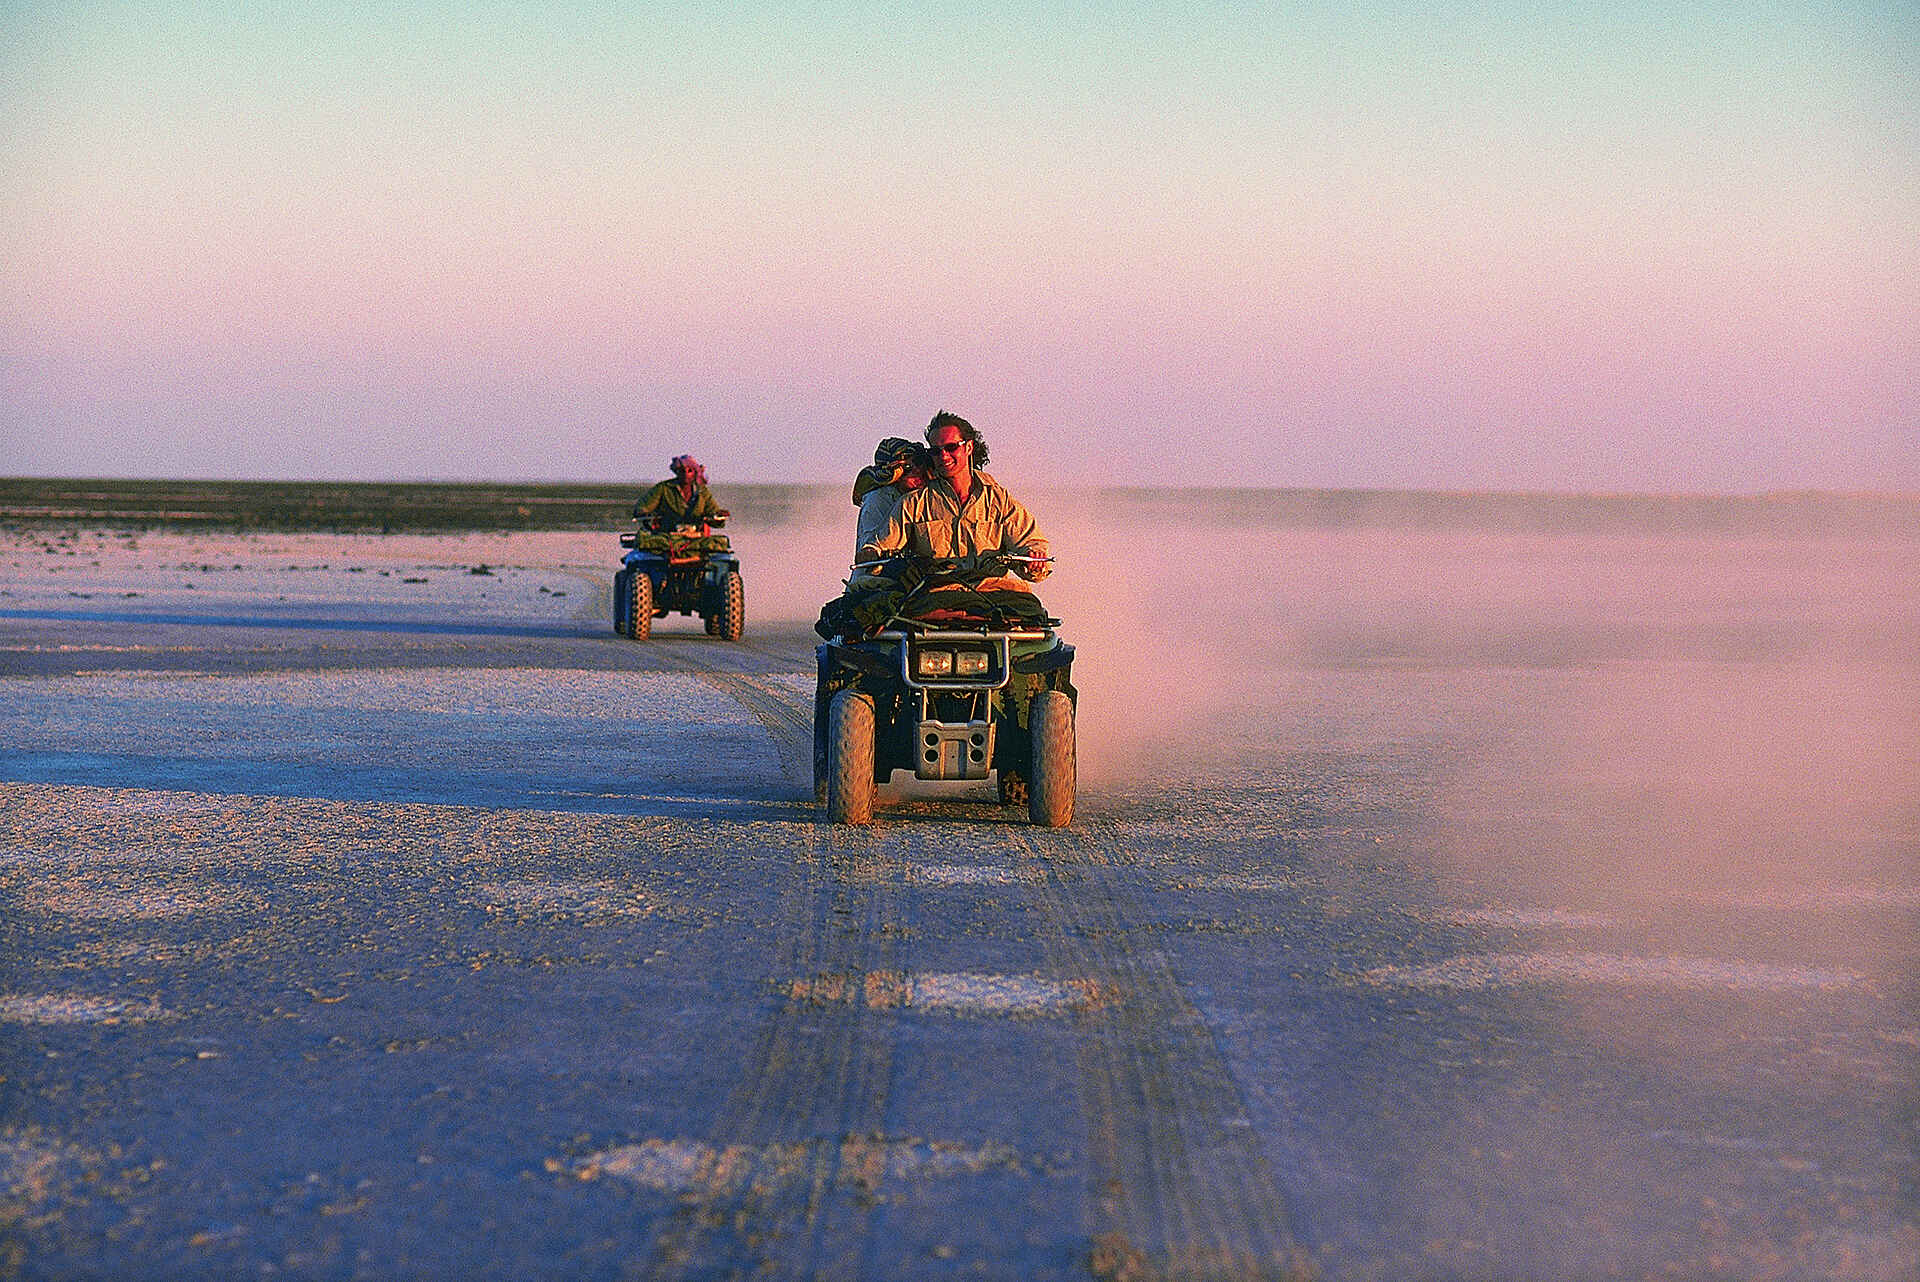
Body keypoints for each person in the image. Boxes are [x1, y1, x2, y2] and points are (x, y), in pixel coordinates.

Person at [858, 411, 1049, 582]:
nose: (943, 456)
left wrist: (1034, 561)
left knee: (1031, 609)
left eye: (951, 447)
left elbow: (1031, 544)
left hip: (993, 592)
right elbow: (879, 547)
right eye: (935, 451)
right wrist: (870, 554)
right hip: (934, 596)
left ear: (969, 447)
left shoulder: (998, 500)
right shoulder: (912, 503)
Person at [851, 437, 931, 567]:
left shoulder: (927, 495)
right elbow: (870, 556)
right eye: (907, 467)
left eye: (918, 462)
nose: (917, 470)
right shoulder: (877, 501)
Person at [633, 454, 720, 530]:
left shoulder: (702, 491)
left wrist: (718, 516)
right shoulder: (663, 488)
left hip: (696, 536)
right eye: (682, 471)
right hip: (667, 535)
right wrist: (644, 513)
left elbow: (714, 514)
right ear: (677, 472)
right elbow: (643, 507)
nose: (685, 474)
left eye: (689, 471)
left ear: (695, 473)